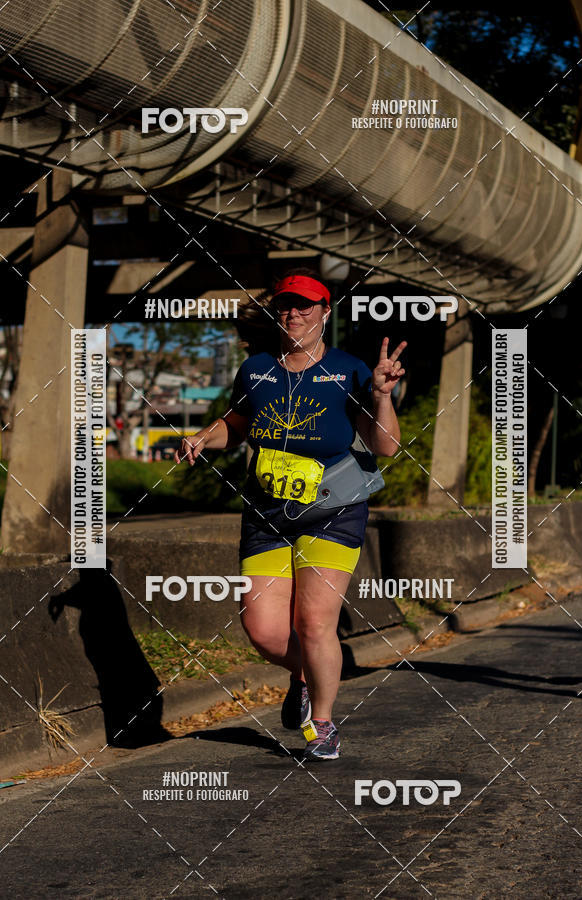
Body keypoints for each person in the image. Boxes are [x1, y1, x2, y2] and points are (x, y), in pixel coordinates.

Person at [176, 270, 405, 760]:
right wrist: (202, 437)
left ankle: (321, 722)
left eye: (305, 305)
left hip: (333, 509)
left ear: (325, 312)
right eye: (285, 305)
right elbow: (235, 426)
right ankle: (302, 674)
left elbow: (385, 446)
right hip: (266, 512)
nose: (294, 313)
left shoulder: (349, 370)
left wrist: (382, 395)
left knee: (315, 621)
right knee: (263, 630)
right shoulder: (256, 368)